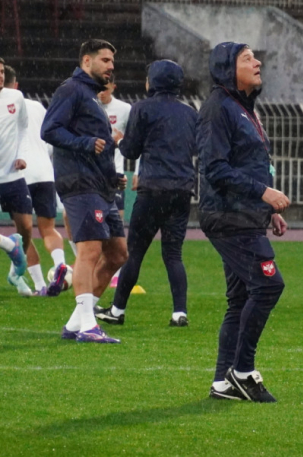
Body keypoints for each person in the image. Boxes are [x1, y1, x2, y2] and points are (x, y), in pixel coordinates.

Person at [197, 42, 289, 403]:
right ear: (226, 67)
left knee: (239, 300)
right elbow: (215, 169)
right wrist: (264, 193)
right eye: (247, 58)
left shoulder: (242, 108)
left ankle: (223, 382)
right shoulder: (219, 108)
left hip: (245, 215)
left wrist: (269, 210)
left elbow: (248, 162)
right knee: (268, 287)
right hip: (227, 216)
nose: (258, 62)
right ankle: (242, 371)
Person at [95, 60, 197, 327]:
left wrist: (118, 139)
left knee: (135, 251)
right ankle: (179, 312)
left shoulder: (142, 108)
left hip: (153, 188)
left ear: (153, 81)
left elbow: (131, 151)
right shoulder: (189, 113)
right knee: (173, 254)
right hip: (183, 190)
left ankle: (117, 310)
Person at [41, 39, 128, 343]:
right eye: (105, 60)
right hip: (79, 183)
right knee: (90, 250)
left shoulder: (93, 98)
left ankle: (77, 322)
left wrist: (113, 176)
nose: (111, 67)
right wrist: (85, 144)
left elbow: (99, 147)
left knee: (118, 253)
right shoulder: (72, 90)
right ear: (87, 62)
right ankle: (89, 326)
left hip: (99, 185)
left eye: (112, 62)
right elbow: (49, 130)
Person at [4, 64, 68, 297]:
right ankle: (60, 264)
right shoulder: (36, 106)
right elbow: (49, 138)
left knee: (24, 234)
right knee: (48, 228)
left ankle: (40, 284)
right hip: (44, 171)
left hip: (18, 172)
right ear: (17, 85)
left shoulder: (9, 105)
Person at [97, 75, 133, 288]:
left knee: (115, 223)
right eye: (99, 87)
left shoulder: (125, 109)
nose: (102, 90)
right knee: (92, 224)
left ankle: (115, 272)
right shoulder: (90, 107)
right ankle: (93, 262)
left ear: (113, 86)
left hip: (116, 172)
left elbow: (134, 140)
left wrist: (121, 142)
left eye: (106, 87)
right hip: (95, 174)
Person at [0, 58, 33, 284]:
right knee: (16, 239)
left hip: (12, 175)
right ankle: (9, 245)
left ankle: (15, 272)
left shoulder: (15, 97)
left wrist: (21, 154)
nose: (1, 76)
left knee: (27, 227)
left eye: (2, 71)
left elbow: (23, 127)